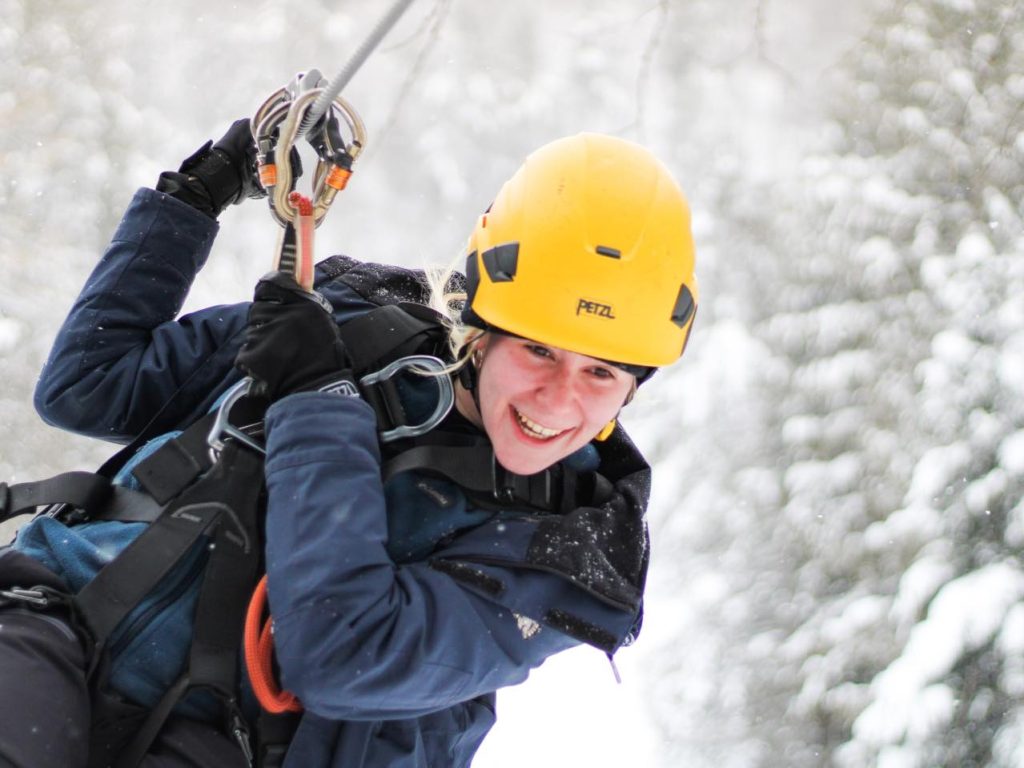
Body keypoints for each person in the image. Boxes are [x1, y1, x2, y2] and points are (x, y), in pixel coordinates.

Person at [0, 117, 697, 768]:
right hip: (55, 624)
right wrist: (197, 195)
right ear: (483, 329)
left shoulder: (574, 554)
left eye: (601, 373)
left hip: (229, 746)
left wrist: (315, 401)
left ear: (632, 390)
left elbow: (342, 656)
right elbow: (90, 385)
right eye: (539, 351)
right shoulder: (353, 325)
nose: (558, 399)